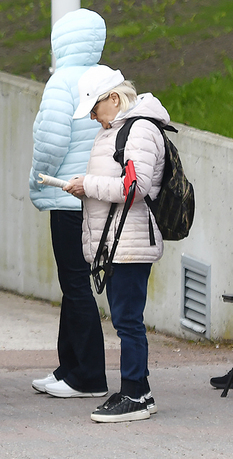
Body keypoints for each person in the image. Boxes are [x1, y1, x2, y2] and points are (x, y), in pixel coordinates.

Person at [59, 67, 171, 421]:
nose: (93, 116)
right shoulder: (120, 130)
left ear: (114, 98)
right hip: (120, 240)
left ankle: (135, 392)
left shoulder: (137, 130)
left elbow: (133, 188)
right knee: (126, 319)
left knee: (128, 320)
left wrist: (87, 185)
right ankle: (138, 389)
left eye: (95, 107)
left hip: (130, 240)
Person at [28, 9, 110, 399]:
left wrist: (36, 178)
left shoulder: (61, 81)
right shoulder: (109, 77)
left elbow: (51, 141)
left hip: (67, 194)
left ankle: (88, 375)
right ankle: (68, 368)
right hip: (99, 194)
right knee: (74, 283)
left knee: (75, 284)